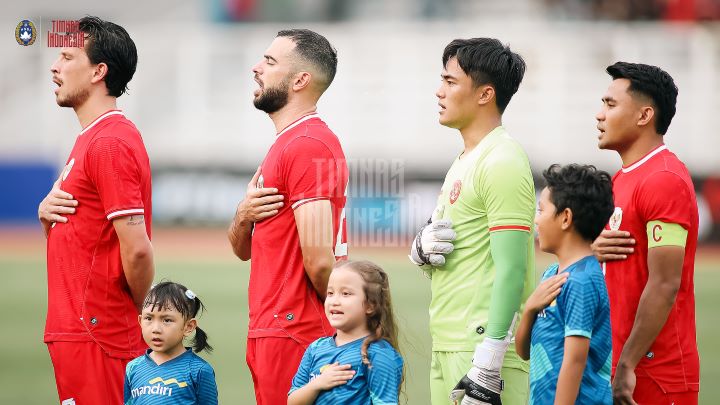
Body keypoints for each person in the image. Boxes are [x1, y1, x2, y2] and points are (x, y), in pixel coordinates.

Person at [408, 37, 536, 405]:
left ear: (484, 94)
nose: (439, 91)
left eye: (450, 82)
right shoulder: (465, 159)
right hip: (448, 343)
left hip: (481, 352)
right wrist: (421, 252)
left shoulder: (503, 159)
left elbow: (512, 269)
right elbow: (461, 252)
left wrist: (489, 360)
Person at [227, 29, 349, 405]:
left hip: (296, 330)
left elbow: (317, 260)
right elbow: (241, 249)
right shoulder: (288, 144)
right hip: (278, 328)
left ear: (300, 80)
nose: (256, 68)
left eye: (269, 61)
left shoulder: (307, 144)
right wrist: (243, 215)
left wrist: (346, 321)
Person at [38, 16, 153, 404]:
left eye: (68, 56)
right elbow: (87, 236)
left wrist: (140, 313)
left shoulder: (109, 142)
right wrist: (47, 219)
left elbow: (137, 248)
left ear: (98, 72)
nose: (55, 66)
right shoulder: (92, 139)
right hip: (81, 332)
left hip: (98, 334)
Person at [592, 62, 700, 404]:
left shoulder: (663, 179)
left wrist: (627, 363)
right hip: (625, 365)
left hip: (654, 373)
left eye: (610, 105)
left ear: (644, 115)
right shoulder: (623, 178)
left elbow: (665, 284)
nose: (599, 115)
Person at [515, 164, 614, 405]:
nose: (536, 220)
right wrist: (529, 308)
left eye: (541, 210)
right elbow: (524, 352)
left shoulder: (582, 281)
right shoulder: (551, 274)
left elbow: (575, 361)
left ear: (566, 218)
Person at [288, 260, 404, 405]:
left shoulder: (376, 354)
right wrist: (317, 384)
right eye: (330, 293)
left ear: (370, 305)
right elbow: (292, 401)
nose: (334, 301)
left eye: (346, 293)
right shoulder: (315, 348)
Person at [124, 282, 218, 404]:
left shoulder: (198, 370)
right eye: (149, 318)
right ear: (140, 321)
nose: (156, 329)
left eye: (167, 320)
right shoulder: (133, 367)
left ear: (188, 326)